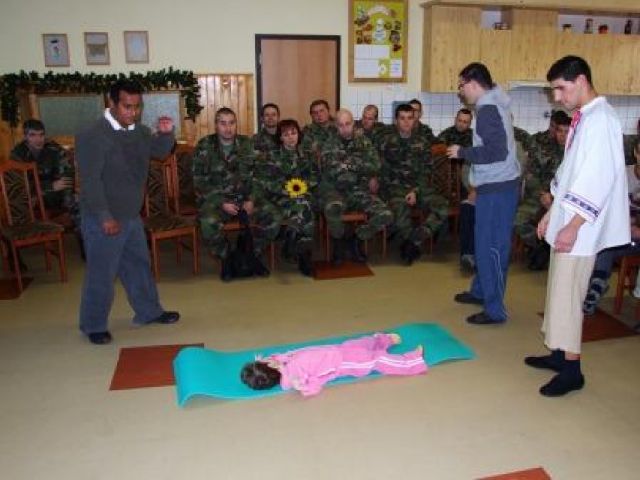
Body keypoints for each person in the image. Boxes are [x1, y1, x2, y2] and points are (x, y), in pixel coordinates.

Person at [525, 56, 629, 397]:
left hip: (581, 228)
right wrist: (551, 214)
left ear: (581, 80)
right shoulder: (584, 118)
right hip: (567, 219)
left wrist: (572, 226)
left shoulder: (602, 120)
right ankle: (558, 353)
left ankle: (572, 371)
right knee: (559, 290)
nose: (557, 97)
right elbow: (570, 172)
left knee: (570, 296)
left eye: (561, 88)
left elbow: (597, 180)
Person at [75, 80, 180, 345]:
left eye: (137, 107)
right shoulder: (92, 135)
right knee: (102, 273)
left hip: (131, 215)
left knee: (138, 267)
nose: (133, 112)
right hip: (103, 217)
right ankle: (93, 325)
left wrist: (166, 134)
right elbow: (90, 182)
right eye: (127, 106)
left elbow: (160, 152)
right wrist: (104, 217)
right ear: (111, 103)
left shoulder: (140, 132)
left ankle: (149, 312)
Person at [447, 63, 521, 325]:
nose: (460, 91)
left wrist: (462, 152)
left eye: (461, 85)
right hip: (495, 185)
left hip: (499, 189)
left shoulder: (488, 109)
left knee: (492, 248)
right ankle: (480, 291)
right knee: (483, 243)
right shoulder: (492, 101)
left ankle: (495, 310)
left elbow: (497, 151)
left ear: (473, 83)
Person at [192, 107, 267, 281]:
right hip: (217, 200)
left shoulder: (247, 144)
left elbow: (260, 176)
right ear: (216, 125)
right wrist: (221, 202)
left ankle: (252, 254)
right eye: (223, 123)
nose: (228, 128)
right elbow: (199, 181)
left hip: (245, 199)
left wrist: (251, 199)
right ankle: (226, 258)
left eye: (231, 123)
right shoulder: (204, 145)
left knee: (273, 217)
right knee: (208, 222)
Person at [240, 332, 426, 397]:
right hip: (342, 363)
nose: (269, 359)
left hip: (338, 349)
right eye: (266, 362)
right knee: (377, 359)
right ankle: (412, 361)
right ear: (272, 370)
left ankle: (384, 340)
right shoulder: (292, 377)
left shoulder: (281, 363)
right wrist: (300, 386)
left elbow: (280, 357)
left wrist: (267, 362)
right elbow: (314, 386)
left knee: (362, 343)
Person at [319, 109, 392, 264]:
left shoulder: (364, 142)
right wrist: (359, 165)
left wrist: (349, 164)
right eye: (341, 125)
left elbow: (375, 165)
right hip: (335, 191)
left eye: (348, 124)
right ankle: (338, 244)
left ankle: (356, 239)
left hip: (359, 191)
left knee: (385, 214)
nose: (345, 128)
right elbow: (332, 171)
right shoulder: (329, 144)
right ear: (336, 126)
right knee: (332, 208)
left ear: (353, 123)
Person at [380, 104, 449, 265]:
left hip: (420, 187)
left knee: (442, 205)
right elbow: (383, 172)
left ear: (414, 119)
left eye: (410, 118)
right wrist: (397, 191)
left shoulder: (422, 142)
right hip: (396, 188)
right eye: (402, 118)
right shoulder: (386, 142)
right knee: (399, 208)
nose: (406, 122)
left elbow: (427, 171)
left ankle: (414, 240)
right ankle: (410, 245)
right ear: (396, 121)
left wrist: (415, 191)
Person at [582, 138, 640, 315]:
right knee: (604, 244)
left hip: (636, 237)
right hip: (620, 233)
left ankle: (596, 287)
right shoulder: (622, 175)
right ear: (636, 153)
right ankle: (596, 287)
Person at [253, 119, 317, 276]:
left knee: (304, 205)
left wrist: (304, 187)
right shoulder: (272, 157)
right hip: (278, 198)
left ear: (298, 135)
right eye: (286, 134)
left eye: (293, 133)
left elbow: (315, 177)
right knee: (305, 209)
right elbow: (266, 182)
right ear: (280, 138)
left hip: (302, 195)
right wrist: (288, 191)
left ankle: (296, 243)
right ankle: (301, 252)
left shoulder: (306, 155)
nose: (291, 137)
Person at [515, 111, 570, 270]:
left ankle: (545, 249)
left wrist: (554, 198)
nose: (562, 136)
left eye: (567, 132)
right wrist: (542, 194)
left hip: (565, 201)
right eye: (559, 131)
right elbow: (532, 176)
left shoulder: (577, 153)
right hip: (541, 196)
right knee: (517, 219)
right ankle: (541, 244)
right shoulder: (545, 150)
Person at [437, 109, 474, 271]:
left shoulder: (474, 137)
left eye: (466, 122)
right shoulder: (446, 135)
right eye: (460, 120)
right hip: (446, 182)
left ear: (470, 123)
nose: (462, 124)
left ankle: (467, 247)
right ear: (455, 119)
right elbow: (437, 157)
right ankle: (441, 238)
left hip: (467, 182)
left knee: (469, 204)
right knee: (440, 201)